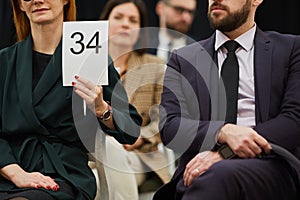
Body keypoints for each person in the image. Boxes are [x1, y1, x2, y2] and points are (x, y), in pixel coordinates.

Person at [153, 0, 300, 199]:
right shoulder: (183, 59)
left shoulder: (291, 49)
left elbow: (293, 121)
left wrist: (224, 153)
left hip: (272, 164)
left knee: (218, 176)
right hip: (198, 169)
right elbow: (170, 127)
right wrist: (222, 132)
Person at [0, 0, 142, 200]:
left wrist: (101, 108)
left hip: (64, 174)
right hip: (10, 172)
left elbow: (131, 129)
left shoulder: (88, 56)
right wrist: (16, 174)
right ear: (20, 5)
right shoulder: (5, 62)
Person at [99, 0, 171, 199]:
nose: (125, 24)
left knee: (116, 163)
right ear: (104, 22)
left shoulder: (155, 66)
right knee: (95, 180)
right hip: (91, 155)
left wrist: (139, 138)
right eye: (118, 17)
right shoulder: (87, 63)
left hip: (138, 155)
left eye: (133, 20)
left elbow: (164, 116)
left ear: (140, 30)